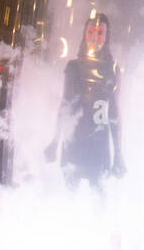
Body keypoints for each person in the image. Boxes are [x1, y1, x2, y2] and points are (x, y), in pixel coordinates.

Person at [45, 13, 126, 189]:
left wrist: (119, 153)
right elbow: (65, 103)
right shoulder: (74, 67)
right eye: (90, 32)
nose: (94, 38)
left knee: (99, 196)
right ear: (84, 34)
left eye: (99, 33)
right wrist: (55, 140)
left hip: (98, 143)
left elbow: (114, 112)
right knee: (70, 194)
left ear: (106, 37)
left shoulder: (112, 70)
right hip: (73, 140)